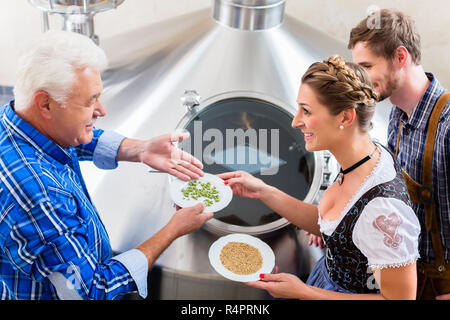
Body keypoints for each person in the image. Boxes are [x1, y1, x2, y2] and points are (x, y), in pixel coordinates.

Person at [0, 30, 213, 300]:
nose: (102, 110)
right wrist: (173, 229)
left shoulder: (15, 120)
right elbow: (94, 291)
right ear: (46, 104)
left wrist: (140, 150)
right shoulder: (39, 194)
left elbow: (69, 137)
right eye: (90, 101)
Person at [219, 55, 420, 299]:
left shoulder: (383, 210)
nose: (295, 122)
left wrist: (304, 292)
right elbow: (339, 227)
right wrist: (264, 191)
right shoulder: (357, 154)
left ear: (345, 118)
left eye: (306, 111)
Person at [348, 8, 450, 300]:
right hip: (411, 281)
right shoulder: (396, 117)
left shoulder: (448, 125)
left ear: (400, 57)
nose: (361, 78)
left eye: (367, 66)